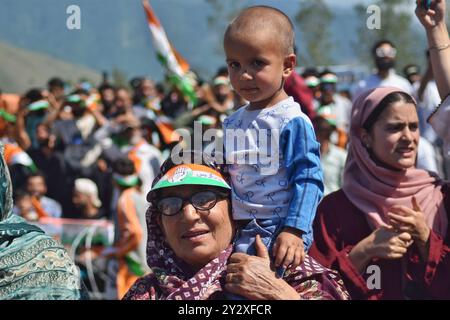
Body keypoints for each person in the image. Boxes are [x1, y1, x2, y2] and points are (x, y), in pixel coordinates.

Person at [123, 151, 349, 300]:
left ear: (236, 209)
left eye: (204, 199)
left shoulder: (290, 275)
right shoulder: (146, 293)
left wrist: (278, 293)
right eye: (170, 204)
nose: (189, 215)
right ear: (159, 223)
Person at [309, 87, 450, 299]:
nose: (408, 137)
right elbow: (312, 289)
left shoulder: (442, 198)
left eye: (413, 126)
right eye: (395, 128)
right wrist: (362, 253)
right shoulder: (335, 209)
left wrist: (426, 239)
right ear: (365, 136)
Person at [222, 6, 323, 275]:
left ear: (288, 65)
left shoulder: (291, 120)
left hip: (277, 228)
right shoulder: (232, 121)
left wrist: (294, 229)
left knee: (256, 288)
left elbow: (309, 178)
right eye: (235, 65)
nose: (244, 75)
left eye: (257, 63)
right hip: (239, 228)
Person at [0, 143, 87, 299]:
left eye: (38, 185)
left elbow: (55, 230)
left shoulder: (52, 206)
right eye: (31, 186)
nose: (35, 189)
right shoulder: (16, 207)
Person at [312, 116, 347, 196]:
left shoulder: (341, 156)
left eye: (325, 130)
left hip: (333, 205)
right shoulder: (306, 156)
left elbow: (346, 187)